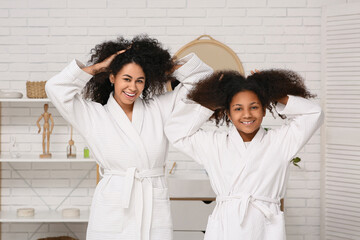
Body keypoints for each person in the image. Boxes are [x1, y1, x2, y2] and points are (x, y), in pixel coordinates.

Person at [45, 35, 212, 240]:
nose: (132, 88)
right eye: (126, 79)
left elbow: (205, 81)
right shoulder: (93, 115)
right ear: (112, 77)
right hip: (114, 204)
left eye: (139, 80)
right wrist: (98, 68)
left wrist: (163, 68)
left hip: (152, 200)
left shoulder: (160, 108)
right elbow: (55, 88)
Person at [164, 70, 324, 240]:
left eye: (254, 107)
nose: (247, 114)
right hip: (226, 226)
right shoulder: (213, 145)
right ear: (228, 114)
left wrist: (273, 91)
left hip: (265, 227)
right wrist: (213, 99)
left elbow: (314, 114)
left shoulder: (280, 142)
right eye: (238, 108)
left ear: (264, 110)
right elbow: (176, 131)